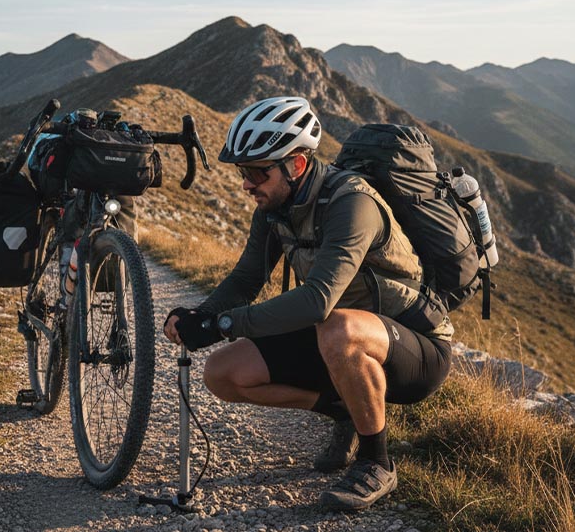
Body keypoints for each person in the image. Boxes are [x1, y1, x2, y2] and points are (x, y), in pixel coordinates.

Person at [163, 96, 453, 512]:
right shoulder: (274, 207)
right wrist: (202, 314)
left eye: (255, 172)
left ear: (296, 164)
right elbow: (247, 279)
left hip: (414, 346)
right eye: (243, 171)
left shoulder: (353, 204)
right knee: (222, 374)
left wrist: (224, 325)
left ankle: (377, 462)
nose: (246, 183)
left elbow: (317, 301)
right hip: (338, 337)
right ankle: (345, 411)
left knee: (339, 328)